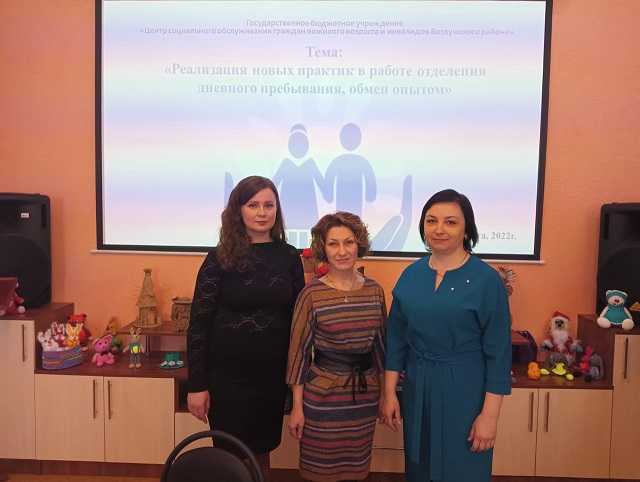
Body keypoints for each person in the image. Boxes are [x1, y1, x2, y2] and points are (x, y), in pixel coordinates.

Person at [382, 189, 512, 482]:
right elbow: (396, 340)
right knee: (420, 467)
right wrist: (389, 393)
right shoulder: (411, 275)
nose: (439, 229)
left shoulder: (486, 280)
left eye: (450, 222)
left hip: (465, 390)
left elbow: (499, 353)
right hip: (418, 388)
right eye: (431, 221)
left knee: (462, 468)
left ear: (467, 229)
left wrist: (489, 417)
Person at [187, 175, 305, 480]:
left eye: (269, 205)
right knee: (228, 455)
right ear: (238, 210)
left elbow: (297, 320)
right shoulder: (218, 258)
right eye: (253, 205)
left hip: (271, 378)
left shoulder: (289, 256)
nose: (262, 212)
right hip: (227, 380)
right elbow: (198, 325)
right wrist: (196, 385)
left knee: (262, 453)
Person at [287, 212, 386, 482]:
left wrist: (386, 395)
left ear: (358, 244)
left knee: (357, 472)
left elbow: (381, 349)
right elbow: (298, 354)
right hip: (322, 399)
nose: (342, 251)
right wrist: (297, 407)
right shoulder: (311, 294)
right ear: (323, 248)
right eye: (333, 244)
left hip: (364, 397)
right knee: (319, 473)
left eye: (348, 242)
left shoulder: (375, 291)